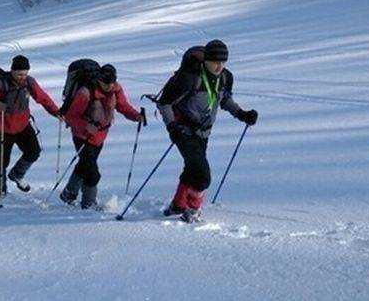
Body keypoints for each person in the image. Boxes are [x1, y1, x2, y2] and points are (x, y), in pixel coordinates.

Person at [157, 40, 258, 222]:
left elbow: (224, 100)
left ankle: (177, 205)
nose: (219, 66)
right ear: (206, 60)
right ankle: (193, 211)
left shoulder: (226, 78)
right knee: (202, 176)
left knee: (192, 168)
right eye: (215, 62)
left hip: (204, 133)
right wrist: (172, 127)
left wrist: (242, 114)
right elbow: (164, 103)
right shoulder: (189, 78)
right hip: (184, 131)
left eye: (223, 62)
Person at [61, 64, 145, 209]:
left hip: (100, 137)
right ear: (99, 80)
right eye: (106, 83)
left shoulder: (115, 89)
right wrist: (86, 126)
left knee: (85, 165)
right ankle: (88, 203)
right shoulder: (85, 92)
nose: (109, 86)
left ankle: (69, 193)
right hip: (82, 136)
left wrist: (136, 116)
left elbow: (123, 106)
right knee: (93, 173)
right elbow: (70, 117)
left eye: (112, 82)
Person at [0, 55, 61, 197]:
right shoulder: (0, 84)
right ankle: (0, 190)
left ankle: (17, 174)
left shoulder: (29, 83)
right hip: (2, 127)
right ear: (12, 71)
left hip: (23, 125)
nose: (22, 76)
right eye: (19, 73)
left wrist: (56, 112)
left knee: (33, 151)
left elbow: (43, 98)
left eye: (25, 73)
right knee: (1, 161)